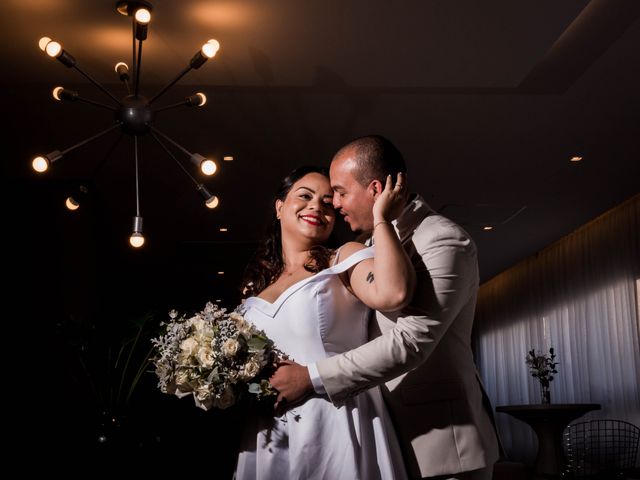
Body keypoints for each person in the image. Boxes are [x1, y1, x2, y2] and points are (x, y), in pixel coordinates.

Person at [270, 136, 500, 480]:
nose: (335, 204)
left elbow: (411, 342)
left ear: (375, 188)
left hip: (442, 446)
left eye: (340, 193)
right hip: (384, 436)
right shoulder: (375, 243)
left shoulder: (441, 238)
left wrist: (310, 377)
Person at [234, 165, 415, 480]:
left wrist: (381, 219)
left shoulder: (344, 258)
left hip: (338, 420)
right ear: (279, 207)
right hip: (271, 433)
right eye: (305, 196)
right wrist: (251, 390)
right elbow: (249, 375)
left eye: (329, 202)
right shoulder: (254, 287)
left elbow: (394, 291)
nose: (317, 205)